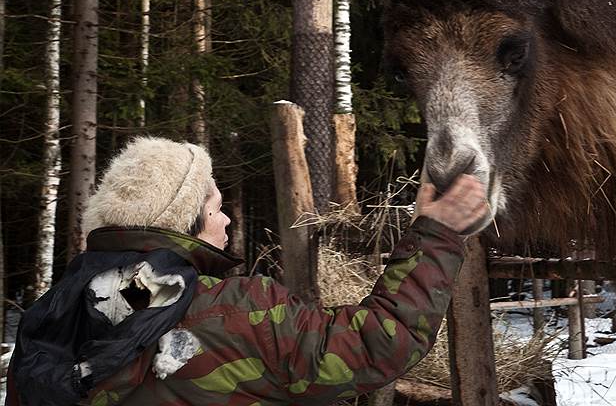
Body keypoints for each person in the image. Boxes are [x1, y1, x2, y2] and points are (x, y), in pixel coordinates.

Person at [6, 137, 488, 406]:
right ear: (182, 222)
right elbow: (377, 343)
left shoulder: (52, 322)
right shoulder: (232, 311)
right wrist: (437, 234)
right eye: (213, 205)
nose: (226, 218)